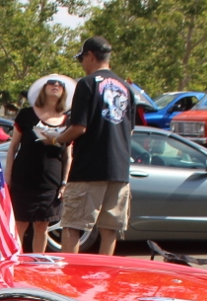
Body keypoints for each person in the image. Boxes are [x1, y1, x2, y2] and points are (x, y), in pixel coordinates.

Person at [51, 36, 136, 256]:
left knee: (73, 226)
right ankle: (104, 278)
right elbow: (130, 130)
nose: (83, 64)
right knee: (110, 229)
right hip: (119, 170)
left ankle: (70, 279)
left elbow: (79, 127)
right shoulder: (127, 88)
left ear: (90, 55)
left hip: (89, 169)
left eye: (82, 59)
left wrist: (55, 138)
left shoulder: (87, 83)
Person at [6, 75, 75, 253]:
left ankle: (37, 264)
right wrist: (8, 176)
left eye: (60, 85)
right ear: (42, 89)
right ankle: (15, 264)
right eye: (51, 83)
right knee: (20, 225)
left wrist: (64, 182)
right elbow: (13, 147)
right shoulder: (26, 115)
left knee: (41, 226)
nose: (56, 86)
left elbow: (68, 155)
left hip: (51, 181)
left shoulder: (68, 120)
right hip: (24, 178)